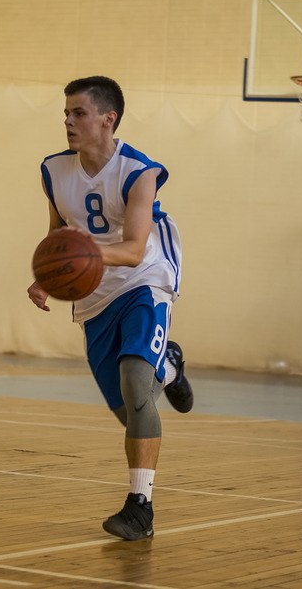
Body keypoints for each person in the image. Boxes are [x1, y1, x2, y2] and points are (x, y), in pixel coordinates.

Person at [27, 76, 192, 540]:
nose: (68, 121)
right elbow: (58, 233)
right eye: (65, 113)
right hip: (95, 295)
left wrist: (81, 256)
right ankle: (170, 369)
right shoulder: (53, 170)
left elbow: (135, 250)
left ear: (108, 119)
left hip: (145, 281)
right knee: (129, 412)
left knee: (136, 384)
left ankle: (140, 508)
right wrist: (48, 274)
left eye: (78, 113)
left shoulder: (140, 172)